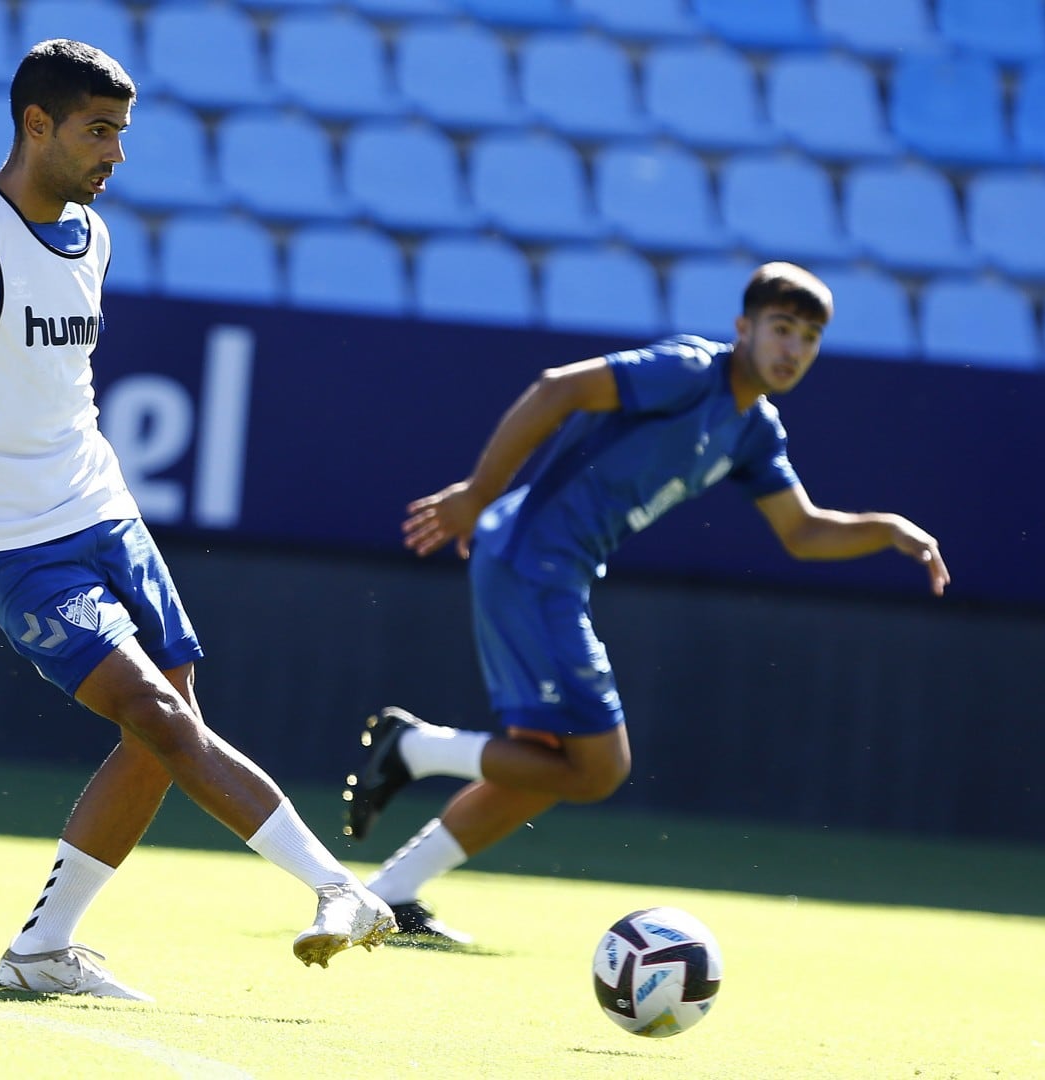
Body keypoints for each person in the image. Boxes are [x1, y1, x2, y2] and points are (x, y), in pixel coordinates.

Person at [0, 39, 394, 1002]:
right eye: (99, 132)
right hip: (10, 543)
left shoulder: (92, 237)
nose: (117, 153)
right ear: (36, 125)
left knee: (167, 721)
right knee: (159, 717)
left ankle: (43, 950)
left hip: (103, 510)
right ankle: (339, 889)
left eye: (122, 133)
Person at [343, 263, 949, 946]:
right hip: (532, 563)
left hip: (550, 572)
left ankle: (392, 892)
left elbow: (802, 532)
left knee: (550, 767)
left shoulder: (755, 430)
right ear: (743, 327)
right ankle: (413, 748)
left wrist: (886, 530)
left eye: (810, 338)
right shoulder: (689, 370)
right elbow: (558, 388)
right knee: (598, 768)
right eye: (782, 328)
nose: (794, 348)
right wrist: (479, 491)